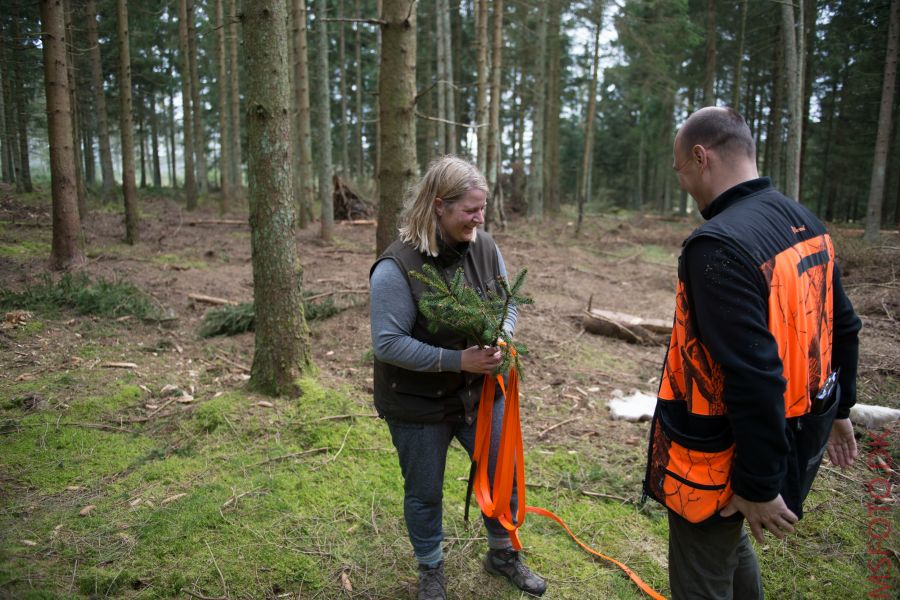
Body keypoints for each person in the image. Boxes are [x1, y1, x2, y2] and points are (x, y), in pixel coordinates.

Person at [642, 107, 861, 599]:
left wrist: (758, 484)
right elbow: (843, 326)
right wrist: (841, 407)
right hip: (791, 436)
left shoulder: (717, 246)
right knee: (726, 543)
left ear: (701, 157)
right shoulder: (803, 220)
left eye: (680, 170)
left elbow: (753, 375)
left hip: (717, 456)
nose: (683, 184)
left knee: (702, 562)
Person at [369, 155, 547, 600]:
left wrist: (502, 339)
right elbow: (387, 343)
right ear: (438, 206)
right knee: (425, 491)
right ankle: (431, 569)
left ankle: (502, 553)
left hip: (481, 394)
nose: (479, 218)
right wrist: (458, 361)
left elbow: (508, 302)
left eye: (482, 208)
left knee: (500, 474)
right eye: (470, 209)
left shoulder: (484, 247)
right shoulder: (396, 267)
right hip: (415, 400)